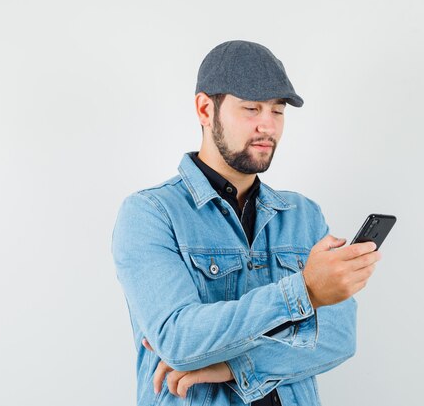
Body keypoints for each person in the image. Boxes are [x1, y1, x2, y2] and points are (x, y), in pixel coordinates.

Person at [111, 40, 381, 406]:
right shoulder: (150, 213)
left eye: (278, 111)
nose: (267, 126)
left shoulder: (303, 215)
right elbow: (179, 341)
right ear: (205, 109)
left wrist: (232, 365)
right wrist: (304, 291)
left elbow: (338, 336)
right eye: (251, 108)